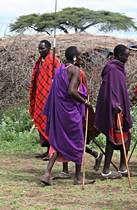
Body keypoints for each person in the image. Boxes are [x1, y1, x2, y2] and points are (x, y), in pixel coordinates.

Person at [40, 46, 95, 185]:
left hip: (59, 112)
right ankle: (77, 178)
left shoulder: (59, 70)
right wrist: (85, 102)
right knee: (78, 142)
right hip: (70, 113)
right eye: (80, 55)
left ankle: (47, 174)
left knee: (59, 143)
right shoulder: (75, 70)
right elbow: (71, 91)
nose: (81, 58)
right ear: (75, 57)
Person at [95, 44, 133, 179]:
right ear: (118, 55)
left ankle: (123, 167)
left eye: (128, 56)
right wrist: (114, 105)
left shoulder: (120, 68)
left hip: (122, 108)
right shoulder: (111, 69)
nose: (127, 58)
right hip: (115, 109)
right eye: (125, 56)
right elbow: (108, 89)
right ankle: (106, 170)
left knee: (126, 137)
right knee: (112, 139)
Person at [29, 40, 60, 160]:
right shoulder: (39, 62)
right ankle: (47, 150)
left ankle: (51, 152)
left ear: (49, 48)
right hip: (40, 97)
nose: (40, 51)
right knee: (43, 122)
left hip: (50, 98)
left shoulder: (54, 60)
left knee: (49, 124)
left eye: (42, 49)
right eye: (39, 49)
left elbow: (58, 78)